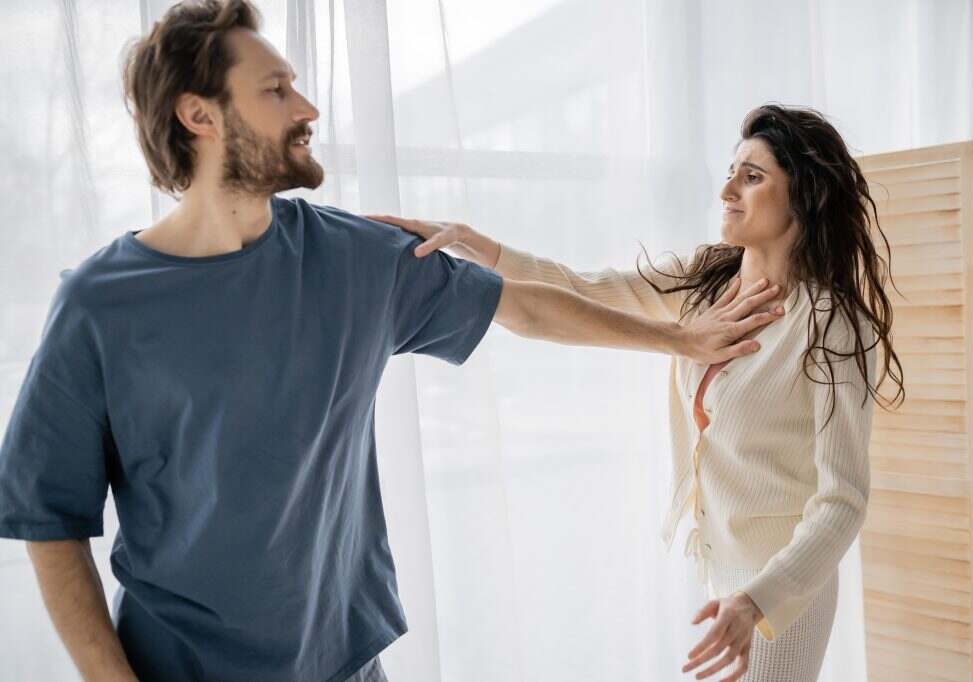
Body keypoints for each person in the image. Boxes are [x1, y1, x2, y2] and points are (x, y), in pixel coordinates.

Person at [0, 2, 785, 681]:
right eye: (275, 90)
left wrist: (679, 337)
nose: (307, 106)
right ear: (199, 116)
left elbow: (524, 308)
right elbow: (48, 518)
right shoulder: (100, 305)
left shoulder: (353, 259)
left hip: (345, 665)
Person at [370, 104, 906, 682]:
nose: (727, 188)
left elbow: (842, 501)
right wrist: (474, 245)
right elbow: (585, 289)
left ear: (804, 196)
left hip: (782, 593)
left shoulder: (829, 323)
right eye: (730, 170)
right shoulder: (708, 278)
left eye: (752, 176)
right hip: (719, 576)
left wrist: (758, 600)